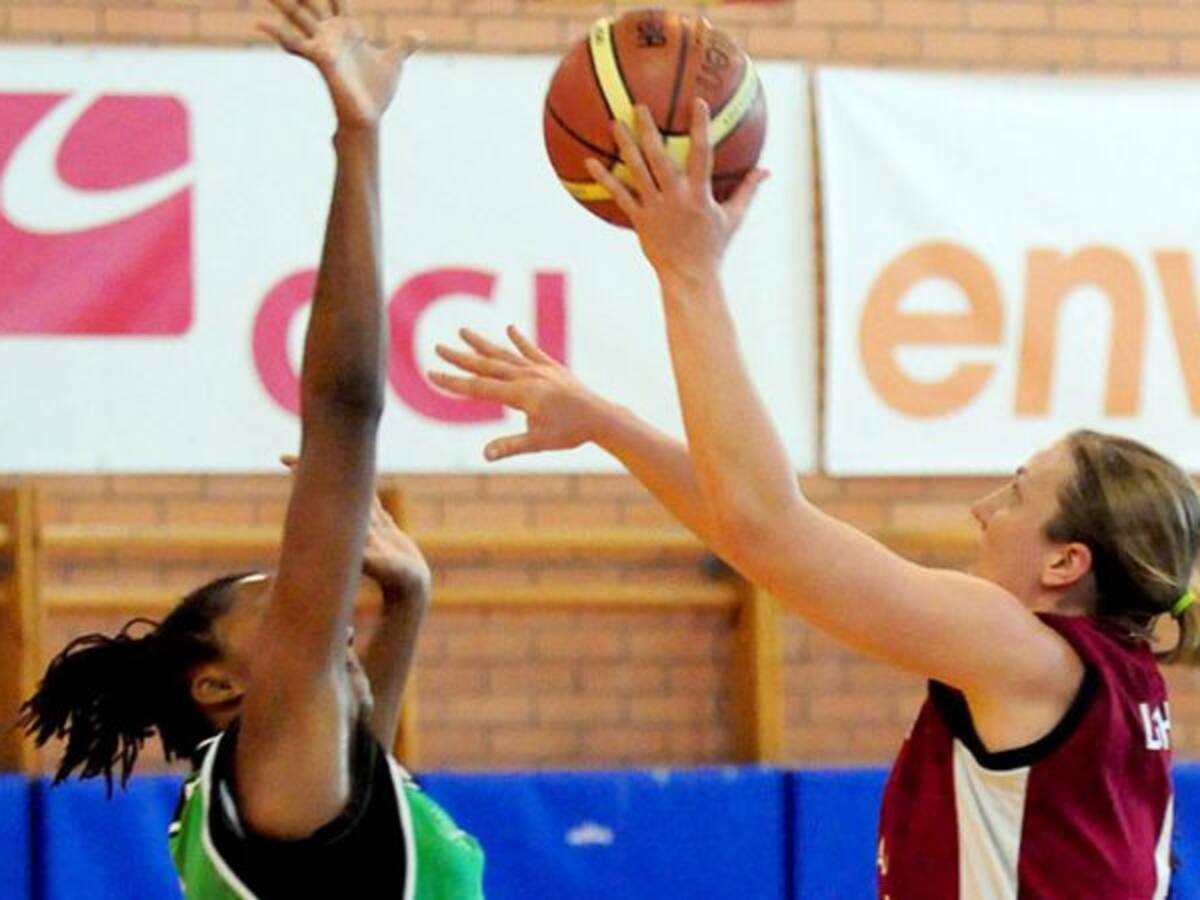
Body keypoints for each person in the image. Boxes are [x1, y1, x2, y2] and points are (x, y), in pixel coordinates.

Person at [429, 99, 1198, 898]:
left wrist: (688, 272)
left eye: (1016, 493)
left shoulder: (1029, 655)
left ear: (1066, 561)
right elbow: (754, 525)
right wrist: (609, 424)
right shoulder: (1114, 676)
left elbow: (767, 528)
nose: (983, 508)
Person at [20, 3, 485, 897]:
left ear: (220, 687)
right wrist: (359, 137)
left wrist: (411, 598)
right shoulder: (274, 777)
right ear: (224, 691)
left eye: (294, 605)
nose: (333, 608)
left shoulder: (282, 786)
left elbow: (365, 751)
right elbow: (344, 409)